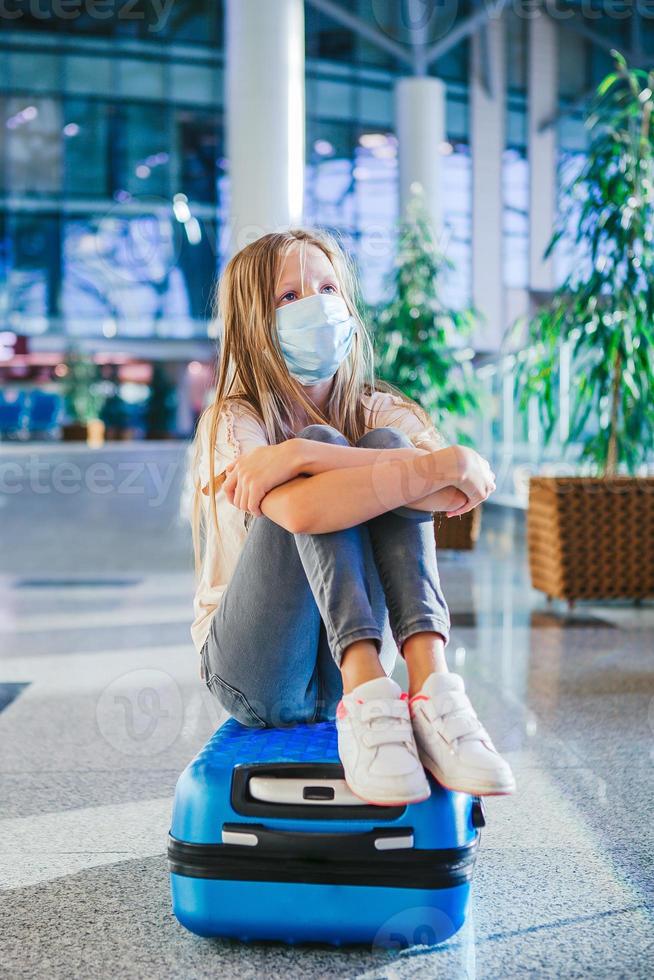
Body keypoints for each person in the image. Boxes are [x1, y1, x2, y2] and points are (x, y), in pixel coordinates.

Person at [188, 228, 516, 806]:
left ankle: (432, 688)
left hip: (354, 651)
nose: (313, 304)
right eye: (287, 296)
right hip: (257, 674)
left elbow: (461, 491)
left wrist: (303, 455)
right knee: (378, 461)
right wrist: (429, 465)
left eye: (326, 286)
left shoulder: (379, 407)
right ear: (253, 321)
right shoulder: (231, 421)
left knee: (382, 442)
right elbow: (307, 509)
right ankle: (367, 692)